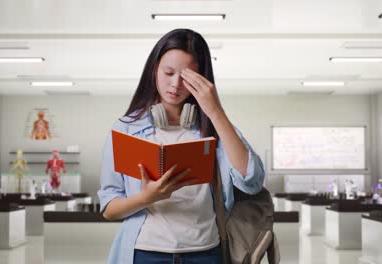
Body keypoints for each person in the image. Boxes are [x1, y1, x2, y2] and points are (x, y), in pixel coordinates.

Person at [98, 28, 265, 264]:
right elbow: (109, 207)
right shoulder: (126, 128)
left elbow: (252, 180)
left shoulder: (213, 127)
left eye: (187, 77)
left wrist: (215, 111)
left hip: (206, 252)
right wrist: (146, 197)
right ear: (154, 68)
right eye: (168, 72)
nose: (175, 84)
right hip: (145, 252)